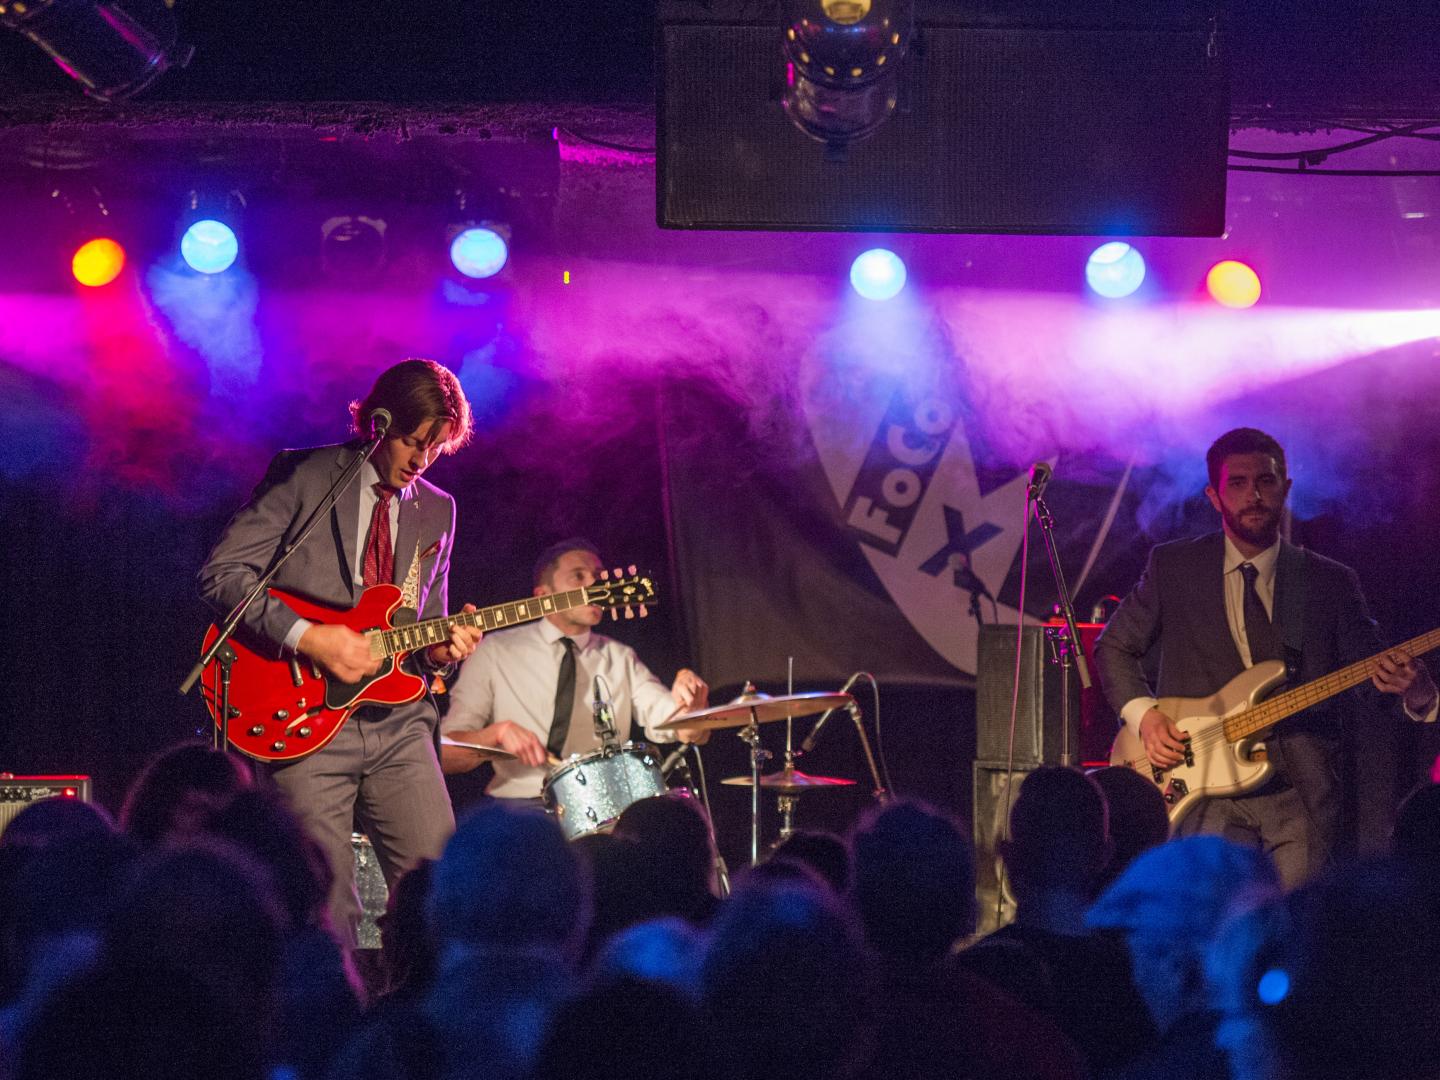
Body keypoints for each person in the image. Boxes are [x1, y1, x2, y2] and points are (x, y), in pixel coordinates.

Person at [199, 358, 483, 941]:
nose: (419, 461)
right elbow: (223, 574)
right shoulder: (305, 475)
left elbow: (425, 624)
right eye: (411, 440)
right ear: (376, 421)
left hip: (399, 723)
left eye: (436, 449)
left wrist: (441, 653)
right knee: (325, 913)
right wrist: (312, 637)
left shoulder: (439, 510)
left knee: (446, 895)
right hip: (301, 711)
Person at [1094, 427, 1437, 887]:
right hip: (1203, 789)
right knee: (1214, 931)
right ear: (1214, 497)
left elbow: (1371, 677)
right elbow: (1114, 646)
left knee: (1293, 934)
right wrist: (1146, 717)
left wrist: (1416, 693)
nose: (1254, 494)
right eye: (1237, 483)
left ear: (1286, 488)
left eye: (1266, 481)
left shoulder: (1328, 581)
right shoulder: (1173, 567)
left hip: (1299, 791)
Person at [440, 539, 709, 797]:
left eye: (598, 576)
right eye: (578, 576)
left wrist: (691, 704)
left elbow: (684, 728)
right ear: (544, 595)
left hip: (603, 811)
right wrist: (497, 733)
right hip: (519, 809)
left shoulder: (620, 657)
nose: (593, 583)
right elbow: (446, 755)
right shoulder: (494, 651)